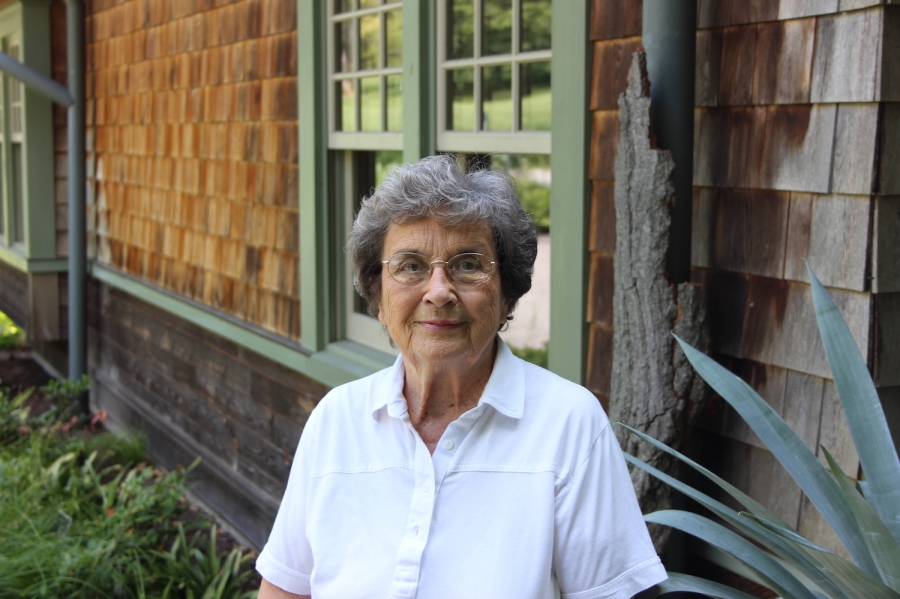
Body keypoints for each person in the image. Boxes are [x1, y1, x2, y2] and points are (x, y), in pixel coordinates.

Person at [256, 155, 666, 599]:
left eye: (468, 265)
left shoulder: (567, 425)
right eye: (410, 266)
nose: (438, 291)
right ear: (377, 292)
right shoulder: (336, 420)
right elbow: (285, 589)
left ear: (506, 289)